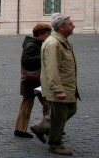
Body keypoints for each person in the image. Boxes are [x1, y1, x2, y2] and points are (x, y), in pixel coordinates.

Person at [39, 13, 79, 156]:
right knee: (59, 117)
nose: (73, 25)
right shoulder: (53, 43)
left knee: (71, 110)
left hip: (67, 85)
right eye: (70, 24)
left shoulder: (63, 41)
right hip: (59, 87)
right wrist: (57, 89)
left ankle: (42, 127)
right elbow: (52, 68)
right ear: (61, 27)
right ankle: (55, 144)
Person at [14, 23, 51, 139]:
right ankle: (20, 129)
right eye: (48, 34)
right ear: (41, 34)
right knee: (28, 105)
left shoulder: (38, 44)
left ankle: (48, 127)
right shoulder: (31, 45)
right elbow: (26, 60)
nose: (49, 36)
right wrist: (43, 57)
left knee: (47, 104)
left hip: (35, 81)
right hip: (32, 81)